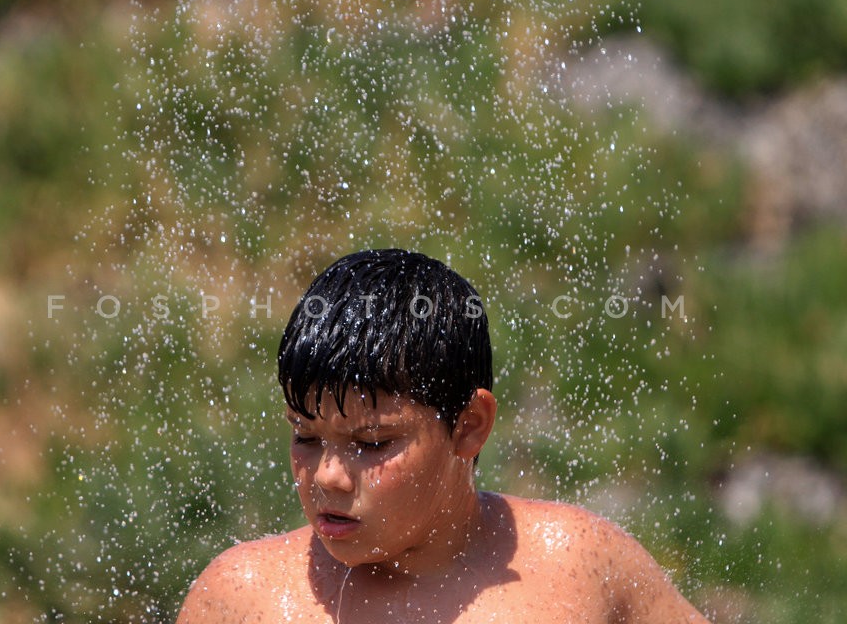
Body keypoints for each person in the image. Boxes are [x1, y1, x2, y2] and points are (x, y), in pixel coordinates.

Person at [177, 248, 710, 623]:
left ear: (468, 427)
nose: (328, 476)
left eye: (371, 444)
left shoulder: (579, 568)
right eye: (306, 436)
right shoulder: (242, 599)